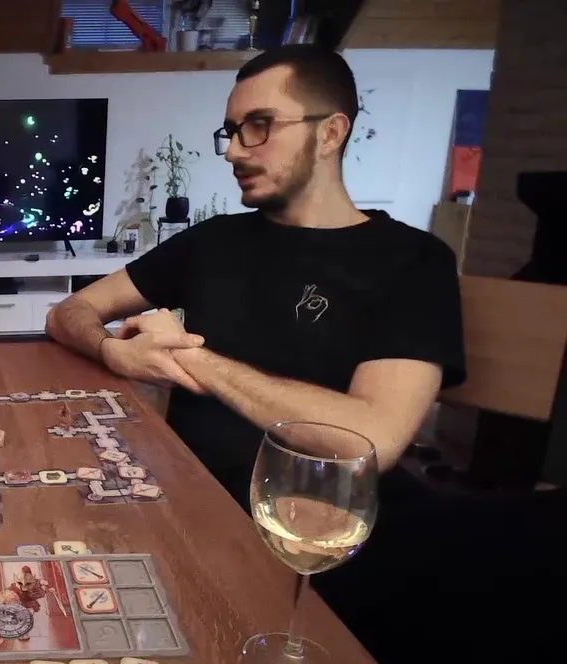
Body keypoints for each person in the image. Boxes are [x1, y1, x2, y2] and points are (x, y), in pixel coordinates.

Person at [47, 45, 466, 507]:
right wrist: (112, 351)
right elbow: (68, 311)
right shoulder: (212, 240)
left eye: (259, 125)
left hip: (310, 524)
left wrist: (192, 358)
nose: (233, 150)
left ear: (330, 133)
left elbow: (371, 440)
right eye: (231, 131)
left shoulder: (415, 261)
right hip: (177, 497)